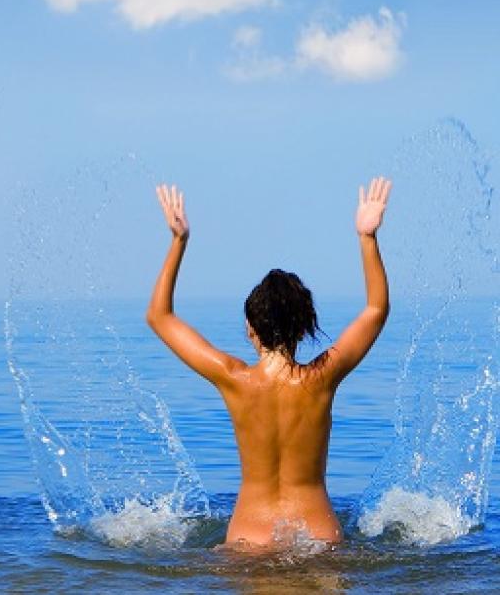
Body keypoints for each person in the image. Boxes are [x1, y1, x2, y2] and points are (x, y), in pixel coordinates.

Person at [146, 177, 392, 548]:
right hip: (318, 537)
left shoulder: (233, 379)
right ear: (305, 327)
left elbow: (160, 316)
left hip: (249, 538)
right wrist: (367, 238)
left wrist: (178, 241)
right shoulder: (321, 378)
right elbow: (376, 309)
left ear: (250, 328)